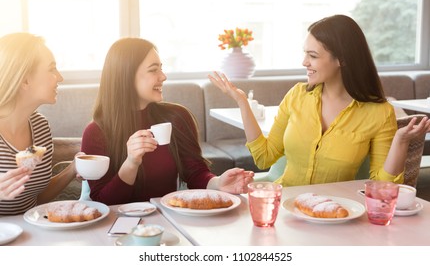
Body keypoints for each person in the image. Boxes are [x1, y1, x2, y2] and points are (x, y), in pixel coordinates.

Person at [209, 14, 430, 187]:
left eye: (313, 56)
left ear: (342, 59)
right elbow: (264, 158)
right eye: (305, 53)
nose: (304, 62)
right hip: (285, 208)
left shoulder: (379, 112)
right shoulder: (297, 95)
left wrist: (401, 142)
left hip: (335, 215)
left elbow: (383, 186)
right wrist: (242, 102)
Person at [81, 38, 254, 205]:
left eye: (161, 69)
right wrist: (131, 162)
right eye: (153, 70)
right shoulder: (96, 133)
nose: (163, 76)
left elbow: (195, 174)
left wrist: (218, 183)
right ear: (126, 76)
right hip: (117, 228)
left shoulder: (176, 117)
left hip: (167, 222)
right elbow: (104, 201)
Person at [0, 33, 79, 215]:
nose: (60, 78)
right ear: (25, 79)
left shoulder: (40, 126)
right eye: (52, 69)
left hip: (31, 233)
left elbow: (36, 197)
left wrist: (72, 169)